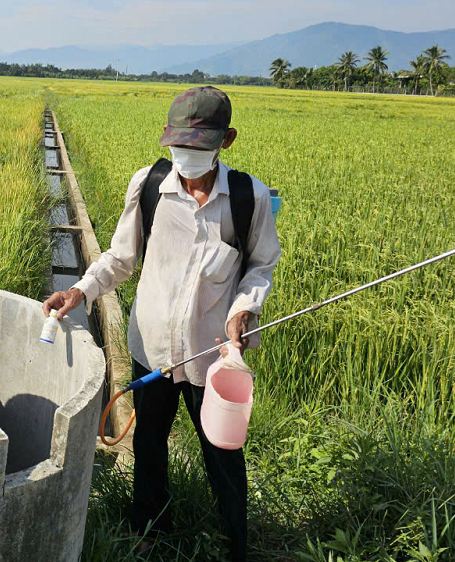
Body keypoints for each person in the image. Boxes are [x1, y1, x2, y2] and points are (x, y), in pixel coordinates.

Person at [42, 86, 281, 561]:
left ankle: (237, 542)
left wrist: (244, 309)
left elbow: (260, 266)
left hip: (211, 355)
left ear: (226, 140)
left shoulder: (247, 198)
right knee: (149, 442)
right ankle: (150, 530)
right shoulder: (150, 185)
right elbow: (120, 258)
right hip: (151, 347)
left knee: (222, 451)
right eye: (179, 144)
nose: (186, 155)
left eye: (198, 145)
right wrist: (79, 291)